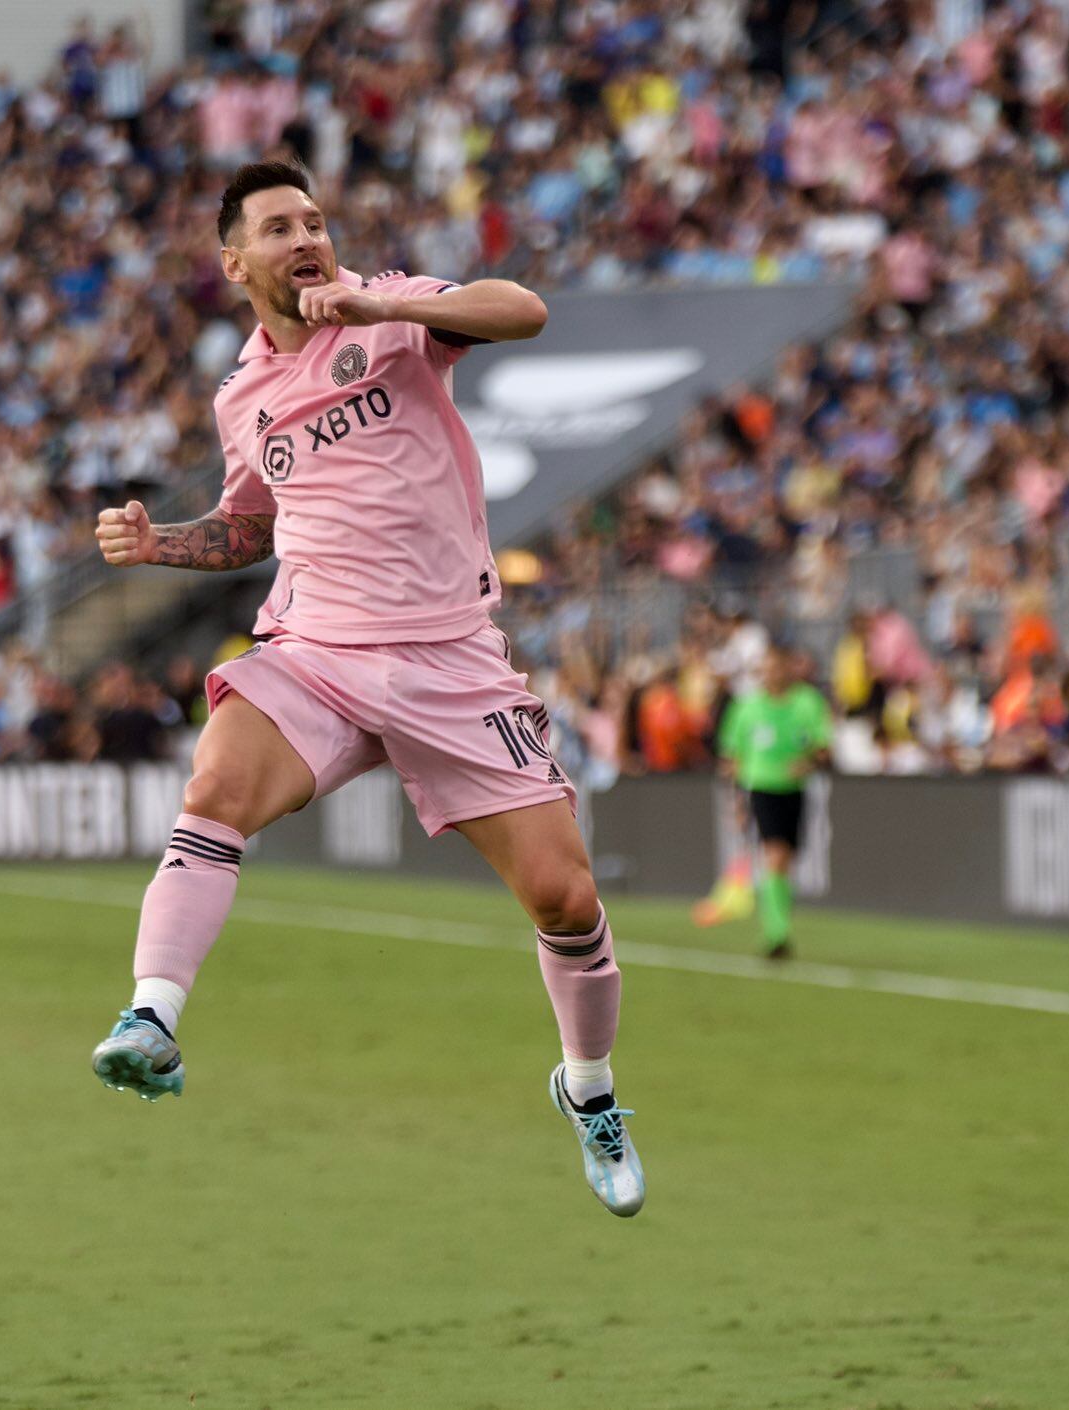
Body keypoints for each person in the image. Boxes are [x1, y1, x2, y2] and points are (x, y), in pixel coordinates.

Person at [88, 161, 642, 1216]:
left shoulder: (396, 314)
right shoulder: (243, 395)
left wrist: (382, 301)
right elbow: (250, 524)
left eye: (313, 220)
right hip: (320, 652)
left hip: (450, 659)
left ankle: (588, 1090)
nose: (306, 236)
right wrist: (160, 543)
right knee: (214, 789)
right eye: (277, 226)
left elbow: (522, 308)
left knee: (565, 901)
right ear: (233, 262)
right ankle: (150, 1018)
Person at [712, 645, 831, 959]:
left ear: (788, 668)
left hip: (795, 789)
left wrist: (807, 763)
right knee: (775, 856)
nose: (771, 673)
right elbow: (730, 758)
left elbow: (822, 748)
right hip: (761, 788)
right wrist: (737, 801)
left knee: (786, 861)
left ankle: (779, 926)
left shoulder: (808, 702)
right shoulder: (746, 708)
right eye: (765, 668)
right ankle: (776, 934)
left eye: (777, 666)